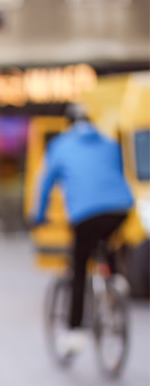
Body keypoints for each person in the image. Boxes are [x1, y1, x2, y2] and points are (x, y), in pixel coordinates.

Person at [31, 105, 133, 354]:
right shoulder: (109, 142)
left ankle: (75, 331)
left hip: (85, 212)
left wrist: (38, 216)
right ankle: (115, 280)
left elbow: (45, 185)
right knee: (106, 238)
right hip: (121, 207)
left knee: (79, 265)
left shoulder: (60, 145)